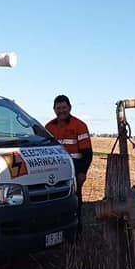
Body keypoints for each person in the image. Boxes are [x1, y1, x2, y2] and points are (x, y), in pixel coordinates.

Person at [45, 94, 93, 230]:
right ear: (54, 109)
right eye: (58, 108)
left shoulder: (80, 126)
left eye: (64, 107)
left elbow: (88, 153)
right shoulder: (48, 127)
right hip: (54, 171)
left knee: (74, 202)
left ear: (70, 108)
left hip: (74, 170)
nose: (61, 111)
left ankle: (76, 232)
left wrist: (82, 172)